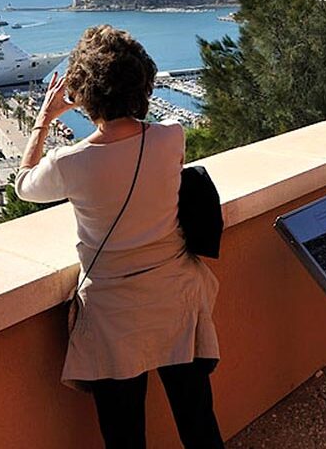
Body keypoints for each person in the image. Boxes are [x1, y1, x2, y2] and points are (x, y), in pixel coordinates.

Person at [15, 25, 224, 448]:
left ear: (83, 92)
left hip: (114, 317)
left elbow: (23, 186)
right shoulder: (172, 136)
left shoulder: (69, 163)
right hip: (175, 297)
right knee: (199, 423)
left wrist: (43, 121)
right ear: (141, 82)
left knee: (124, 436)